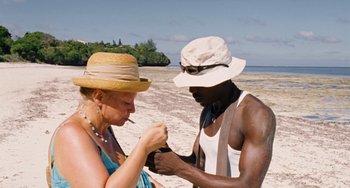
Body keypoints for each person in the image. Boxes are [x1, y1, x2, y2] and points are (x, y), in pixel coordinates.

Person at [148, 36, 276, 187]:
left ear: (222, 78)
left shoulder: (255, 114)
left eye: (198, 83)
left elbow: (249, 185)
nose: (191, 90)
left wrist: (179, 168)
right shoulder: (209, 111)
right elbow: (200, 165)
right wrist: (167, 158)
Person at [47, 52, 168, 188]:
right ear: (98, 97)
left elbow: (129, 176)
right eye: (127, 102)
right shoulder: (72, 134)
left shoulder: (104, 129)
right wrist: (143, 148)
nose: (133, 109)